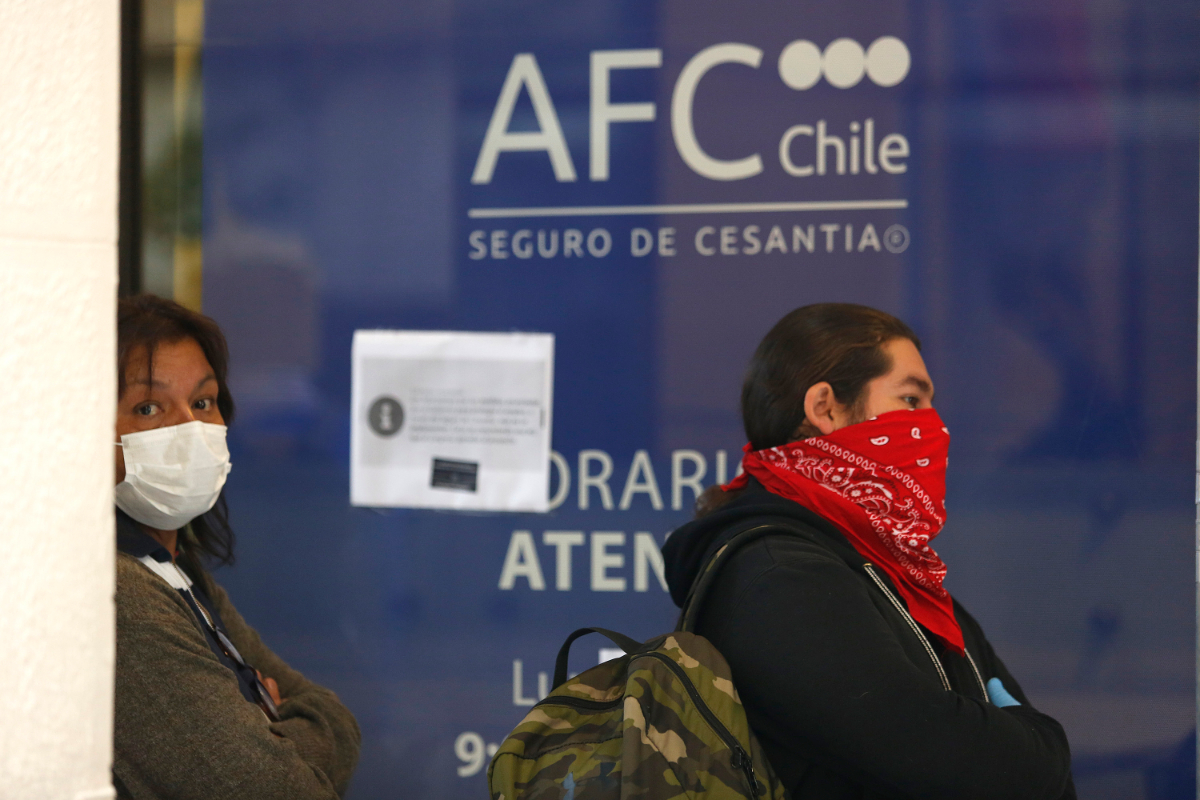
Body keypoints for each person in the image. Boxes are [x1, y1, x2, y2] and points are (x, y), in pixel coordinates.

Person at [662, 303, 1075, 799]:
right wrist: (1043, 743)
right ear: (825, 409)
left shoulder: (889, 566)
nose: (934, 428)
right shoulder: (779, 575)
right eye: (911, 400)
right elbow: (940, 756)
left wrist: (1026, 748)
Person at [111, 295, 360, 799]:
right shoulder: (119, 596)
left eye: (203, 402)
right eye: (148, 408)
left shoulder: (175, 570)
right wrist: (267, 728)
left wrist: (265, 734)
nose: (191, 428)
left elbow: (336, 718)